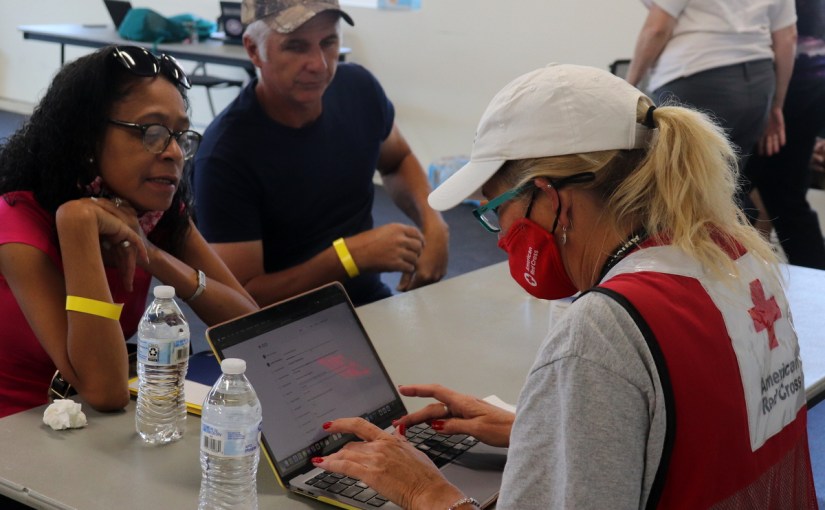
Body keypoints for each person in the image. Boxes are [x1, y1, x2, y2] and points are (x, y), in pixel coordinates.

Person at [311, 64, 817, 508]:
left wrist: (425, 492)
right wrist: (544, 431)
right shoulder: (735, 257)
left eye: (495, 211)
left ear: (550, 199)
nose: (500, 237)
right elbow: (702, 434)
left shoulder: (602, 331)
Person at [0, 45, 259, 418]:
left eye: (180, 135)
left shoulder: (153, 214)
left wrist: (152, 254)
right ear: (87, 139)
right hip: (18, 436)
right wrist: (77, 226)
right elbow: (103, 391)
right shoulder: (17, 221)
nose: (174, 152)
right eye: (151, 132)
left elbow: (253, 328)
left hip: (95, 434)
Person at [192, 0, 449, 307]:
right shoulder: (225, 156)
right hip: (281, 329)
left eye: (328, 42)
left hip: (367, 305)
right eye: (296, 47)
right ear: (252, 49)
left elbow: (397, 161)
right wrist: (348, 257)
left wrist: (434, 223)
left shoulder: (359, 88)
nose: (320, 64)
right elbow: (243, 300)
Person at [625, 0, 798, 221]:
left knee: (676, 192)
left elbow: (657, 29)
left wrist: (628, 87)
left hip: (696, 77)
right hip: (758, 84)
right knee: (726, 188)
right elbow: (787, 38)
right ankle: (738, 246)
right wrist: (776, 105)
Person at [745, 0, 825, 270]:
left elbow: (783, 37)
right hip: (809, 84)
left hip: (784, 86)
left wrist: (775, 103)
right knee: (783, 196)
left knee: (734, 190)